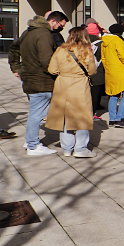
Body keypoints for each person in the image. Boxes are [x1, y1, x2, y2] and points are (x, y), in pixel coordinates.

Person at [9, 11, 68, 155]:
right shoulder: (44, 34)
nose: (61, 28)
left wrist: (16, 67)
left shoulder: (29, 31)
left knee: (35, 112)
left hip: (30, 78)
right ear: (53, 21)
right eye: (61, 25)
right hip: (40, 80)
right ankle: (33, 145)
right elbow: (46, 60)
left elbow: (13, 48)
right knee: (37, 114)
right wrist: (59, 72)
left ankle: (30, 140)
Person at [46, 26, 97, 158]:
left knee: (64, 117)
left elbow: (52, 69)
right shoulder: (87, 50)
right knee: (82, 116)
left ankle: (67, 148)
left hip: (62, 84)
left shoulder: (61, 49)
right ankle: (80, 148)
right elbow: (91, 70)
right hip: (80, 84)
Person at [101, 24, 124, 128]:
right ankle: (119, 118)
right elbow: (123, 55)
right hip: (122, 71)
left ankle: (112, 118)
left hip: (110, 71)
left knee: (113, 95)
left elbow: (103, 58)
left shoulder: (104, 41)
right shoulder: (118, 41)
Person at [86, 21, 106, 119]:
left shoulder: (83, 41)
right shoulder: (101, 43)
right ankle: (93, 113)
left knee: (87, 93)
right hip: (98, 72)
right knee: (95, 94)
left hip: (85, 71)